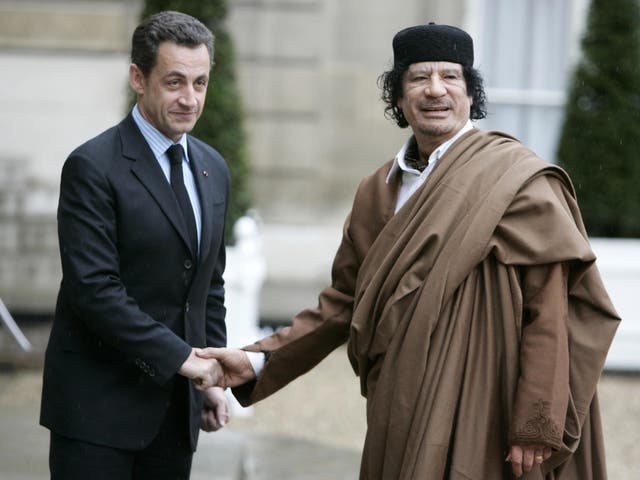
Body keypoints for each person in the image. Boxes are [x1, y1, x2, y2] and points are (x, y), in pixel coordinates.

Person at [199, 23, 621, 479]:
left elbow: (550, 310)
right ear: (398, 97)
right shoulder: (377, 192)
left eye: (450, 77)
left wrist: (536, 424)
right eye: (419, 78)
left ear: (470, 93)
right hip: (399, 402)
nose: (435, 90)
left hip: (488, 405)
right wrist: (258, 359)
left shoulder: (517, 182)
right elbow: (343, 301)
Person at [40, 11, 231, 479]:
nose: (190, 99)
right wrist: (184, 360)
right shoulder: (92, 166)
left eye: (200, 83)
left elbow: (210, 285)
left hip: (174, 413)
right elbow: (94, 290)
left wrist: (212, 374)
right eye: (174, 82)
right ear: (137, 78)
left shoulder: (213, 167)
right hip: (96, 413)